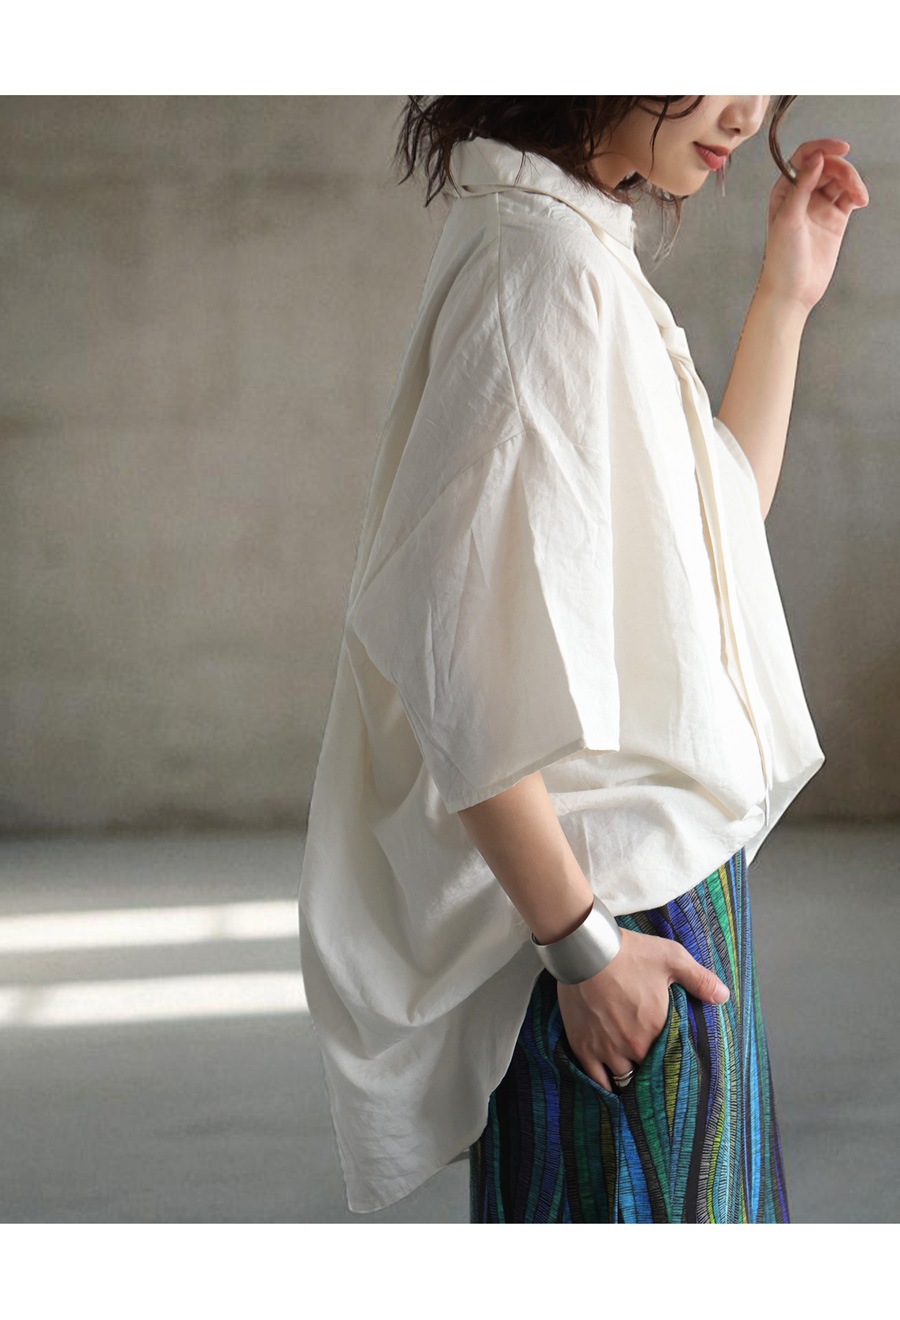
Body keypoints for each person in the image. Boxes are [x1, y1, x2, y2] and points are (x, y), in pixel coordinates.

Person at [298, 96, 868, 1223]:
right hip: (615, 912)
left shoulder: (572, 246)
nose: (746, 108)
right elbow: (451, 652)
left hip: (648, 902)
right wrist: (581, 948)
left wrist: (786, 295)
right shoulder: (542, 269)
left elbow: (711, 534)